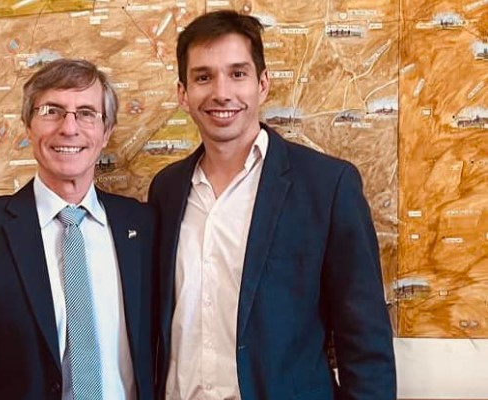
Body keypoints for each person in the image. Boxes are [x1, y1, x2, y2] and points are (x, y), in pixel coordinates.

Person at [148, 10, 396, 400]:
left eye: (237, 73)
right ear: (183, 93)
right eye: (203, 77)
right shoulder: (166, 189)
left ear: (262, 84)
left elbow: (365, 341)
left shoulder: (328, 187)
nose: (221, 92)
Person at [0, 58, 155, 400]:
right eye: (51, 111)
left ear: (106, 132)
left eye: (86, 113)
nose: (69, 128)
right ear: (28, 126)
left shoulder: (143, 228)